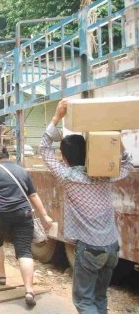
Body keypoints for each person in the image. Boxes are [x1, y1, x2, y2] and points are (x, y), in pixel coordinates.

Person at [40, 99, 133, 314]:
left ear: (64, 158)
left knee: (84, 301)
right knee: (99, 298)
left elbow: (44, 150)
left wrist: (57, 116)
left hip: (90, 248)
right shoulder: (106, 175)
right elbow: (127, 163)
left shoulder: (68, 176)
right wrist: (114, 141)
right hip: (111, 246)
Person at [0, 146, 52, 306]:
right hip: (23, 213)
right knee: (24, 251)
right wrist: (45, 215)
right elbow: (33, 194)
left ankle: (0, 276)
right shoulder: (22, 171)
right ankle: (29, 290)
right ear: (9, 157)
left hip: (0, 213)